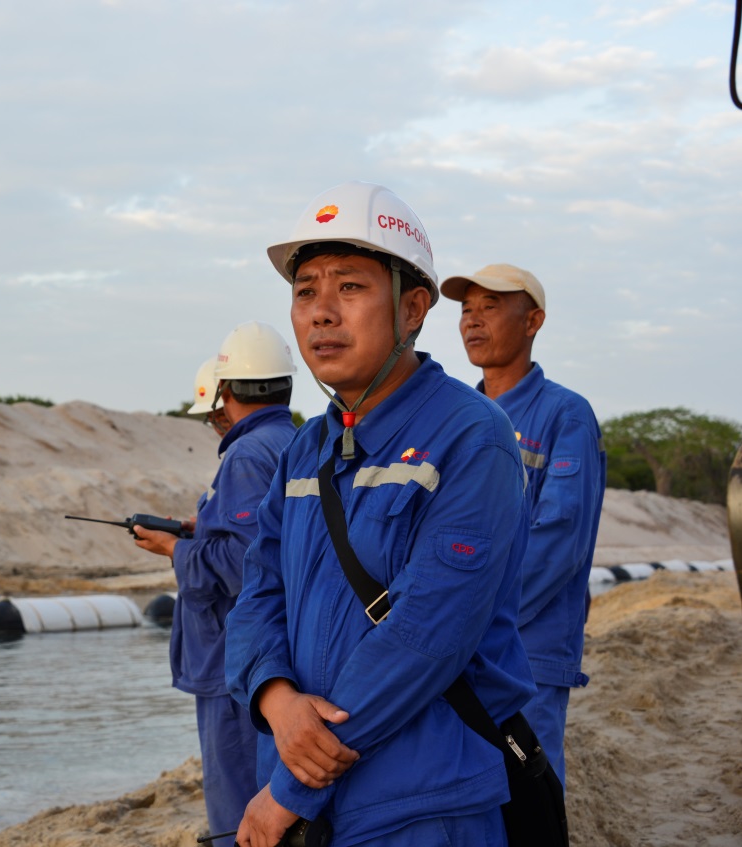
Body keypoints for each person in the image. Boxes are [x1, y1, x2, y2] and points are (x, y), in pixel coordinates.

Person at [225, 181, 537, 847]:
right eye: (305, 291)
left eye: (350, 287)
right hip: (307, 798)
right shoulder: (306, 448)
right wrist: (275, 697)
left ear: (412, 307)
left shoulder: (471, 436)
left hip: (420, 805)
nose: (321, 313)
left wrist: (290, 788)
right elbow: (258, 593)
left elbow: (426, 633)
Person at [441, 263, 606, 786]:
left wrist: (476, 614)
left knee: (529, 797)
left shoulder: (566, 415)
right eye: (466, 309)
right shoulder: (456, 417)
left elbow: (560, 541)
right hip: (454, 643)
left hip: (527, 651)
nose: (472, 320)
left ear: (533, 321)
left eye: (490, 307)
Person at [133, 322, 298, 839]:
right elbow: (269, 537)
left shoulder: (247, 454)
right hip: (274, 651)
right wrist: (199, 527)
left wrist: (174, 549)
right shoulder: (293, 440)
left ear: (225, 392)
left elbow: (246, 561)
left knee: (237, 804)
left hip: (235, 659)